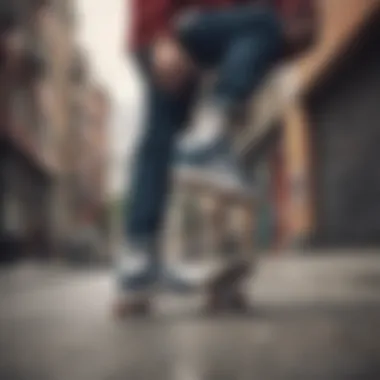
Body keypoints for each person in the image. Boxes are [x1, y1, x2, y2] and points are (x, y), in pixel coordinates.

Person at [115, 0, 316, 316]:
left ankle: (138, 264)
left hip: (195, 37)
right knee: (261, 27)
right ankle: (207, 144)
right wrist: (160, 36)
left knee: (163, 139)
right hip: (172, 31)